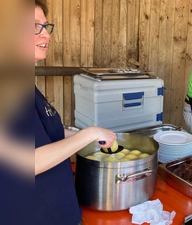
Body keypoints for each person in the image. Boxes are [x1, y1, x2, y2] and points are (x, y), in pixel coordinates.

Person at [32, 1, 117, 224]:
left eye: (46, 26)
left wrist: (94, 135)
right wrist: (88, 134)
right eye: (34, 26)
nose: (46, 35)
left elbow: (49, 132)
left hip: (63, 211)